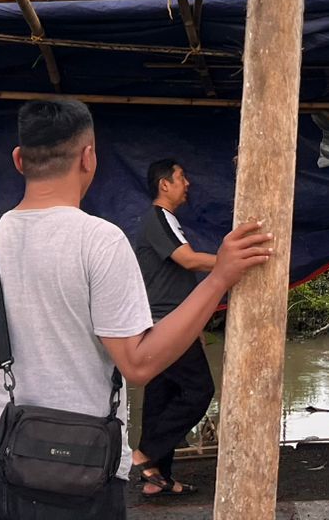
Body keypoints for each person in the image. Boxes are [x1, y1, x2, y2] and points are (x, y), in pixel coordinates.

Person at [0, 101, 270, 520]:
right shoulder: (100, 241)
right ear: (89, 158)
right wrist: (219, 278)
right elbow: (138, 363)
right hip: (77, 468)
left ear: (19, 160)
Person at [131, 158, 219, 498]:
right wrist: (231, 261)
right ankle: (146, 453)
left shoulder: (167, 221)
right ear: (164, 184)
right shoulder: (158, 218)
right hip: (167, 322)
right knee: (199, 390)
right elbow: (189, 259)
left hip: (164, 320)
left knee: (161, 398)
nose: (188, 184)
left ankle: (157, 477)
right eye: (182, 177)